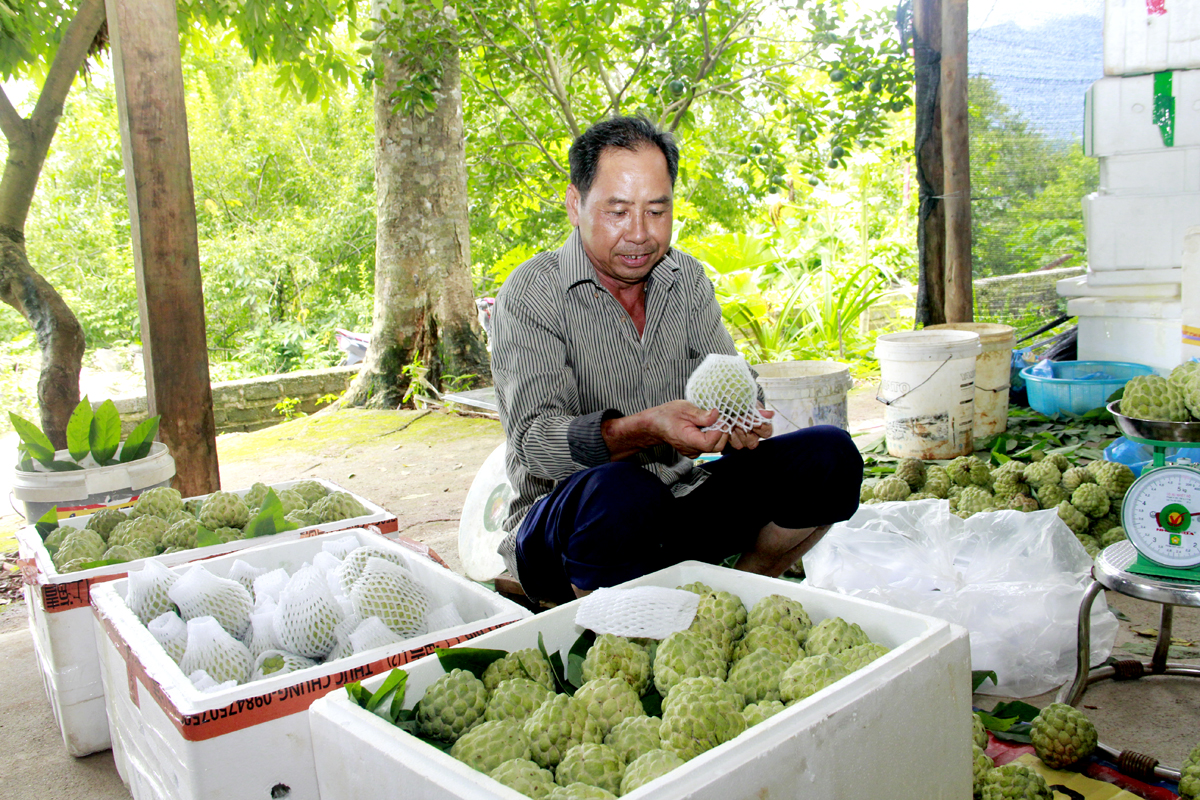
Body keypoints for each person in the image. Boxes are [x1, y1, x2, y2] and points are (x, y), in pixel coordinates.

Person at [491, 115, 863, 604]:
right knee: (621, 493)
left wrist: (740, 416)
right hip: (568, 527)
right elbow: (535, 443)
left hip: (677, 501)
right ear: (574, 204)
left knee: (829, 457)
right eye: (618, 211)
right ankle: (593, 629)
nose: (641, 234)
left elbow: (731, 377)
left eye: (657, 211)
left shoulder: (684, 278)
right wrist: (643, 428)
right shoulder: (531, 293)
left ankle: (739, 595)